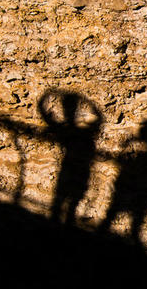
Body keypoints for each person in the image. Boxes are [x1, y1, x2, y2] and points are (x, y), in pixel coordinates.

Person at [37, 90, 103, 226]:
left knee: (61, 200)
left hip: (70, 168)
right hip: (81, 169)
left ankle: (56, 228)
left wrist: (47, 96)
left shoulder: (65, 129)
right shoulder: (86, 132)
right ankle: (65, 227)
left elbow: (46, 116)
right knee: (72, 201)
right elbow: (99, 119)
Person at [99, 119, 147, 242]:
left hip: (129, 185)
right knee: (134, 221)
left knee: (114, 215)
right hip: (141, 188)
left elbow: (121, 160)